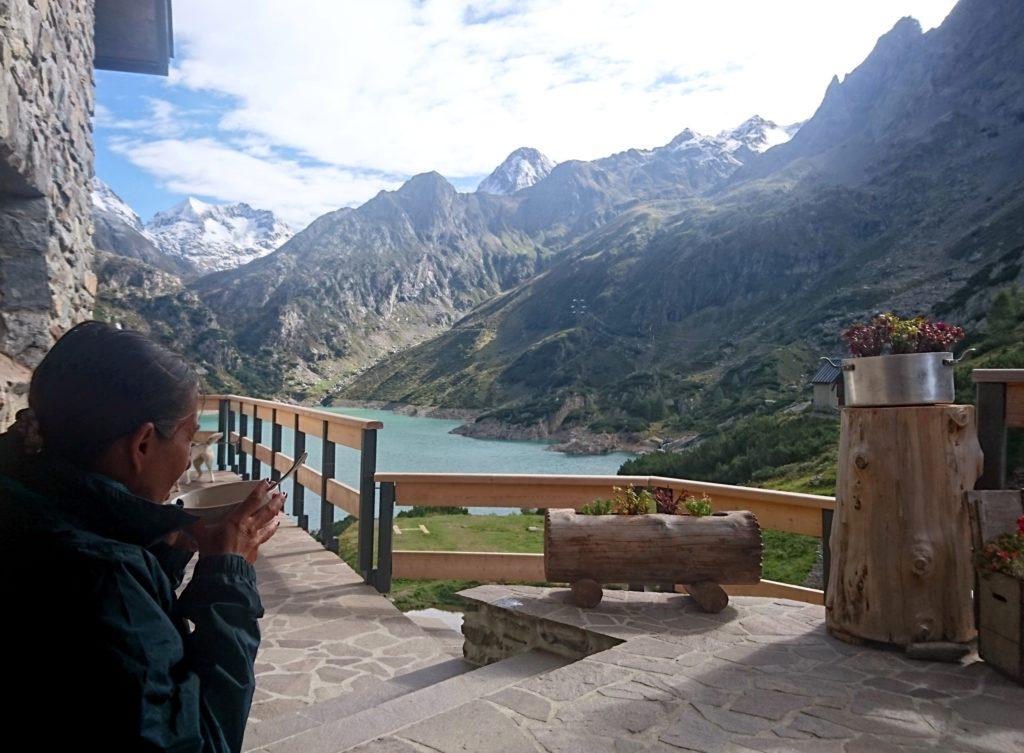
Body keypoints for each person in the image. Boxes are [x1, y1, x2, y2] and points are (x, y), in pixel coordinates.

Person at [0, 321, 285, 752]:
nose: (188, 463)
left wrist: (165, 544)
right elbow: (202, 742)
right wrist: (229, 579)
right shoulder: (103, 581)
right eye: (188, 440)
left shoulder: (23, 499)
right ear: (143, 444)